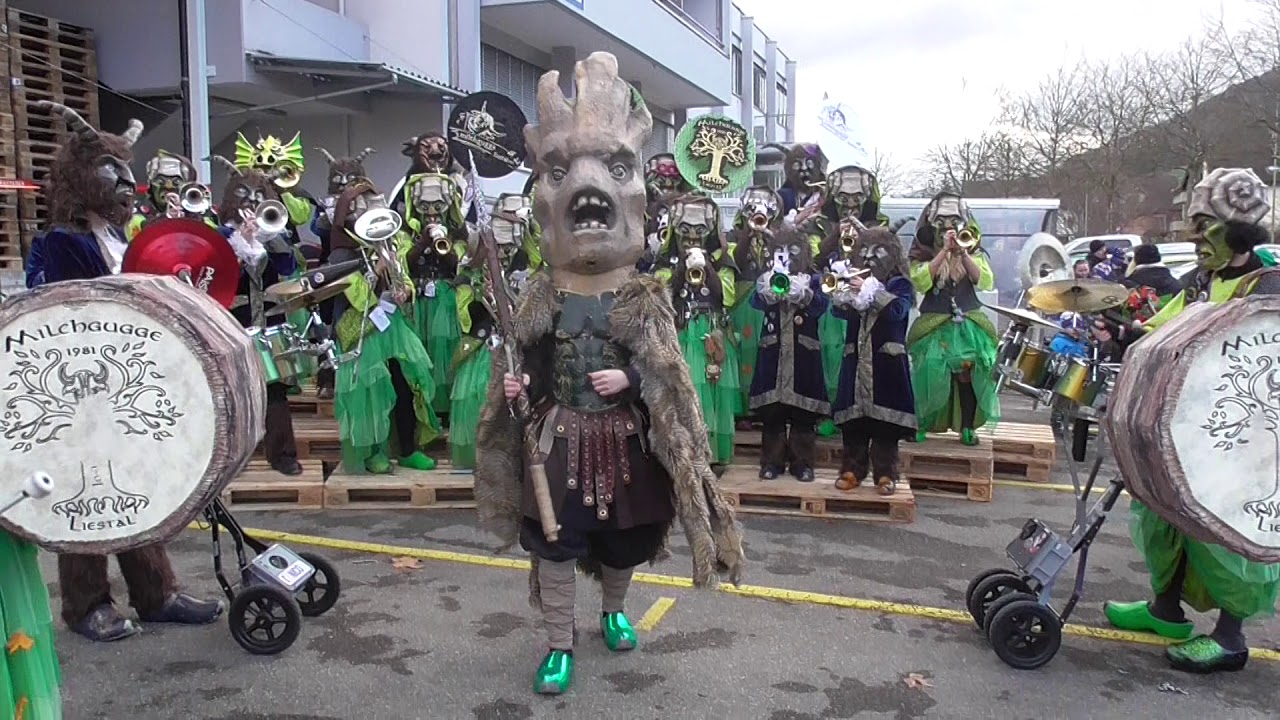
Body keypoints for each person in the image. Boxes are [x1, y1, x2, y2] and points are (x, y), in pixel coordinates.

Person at [473, 53, 744, 695]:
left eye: (614, 169)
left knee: (626, 542)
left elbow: (670, 378)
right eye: (561, 172)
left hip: (624, 442)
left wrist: (632, 383)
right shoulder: (538, 295)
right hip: (557, 440)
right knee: (554, 543)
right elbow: (528, 365)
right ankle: (559, 643)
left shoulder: (645, 295)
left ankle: (615, 610)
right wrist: (518, 388)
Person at [24, 100, 222, 642]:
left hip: (123, 384)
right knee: (84, 496)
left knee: (134, 488)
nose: (126, 183)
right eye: (111, 170)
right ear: (80, 177)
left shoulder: (117, 237)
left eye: (125, 170)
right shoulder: (62, 242)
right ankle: (86, 605)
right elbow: (71, 317)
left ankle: (156, 593)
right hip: (78, 394)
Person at [1105, 167, 1280, 674]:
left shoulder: (1267, 287)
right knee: (1163, 512)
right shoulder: (1203, 282)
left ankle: (1230, 639)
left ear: (1237, 232)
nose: (1194, 238)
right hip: (1189, 431)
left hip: (1245, 437)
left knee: (1227, 532)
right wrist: (1125, 333)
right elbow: (1167, 327)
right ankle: (1166, 611)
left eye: (1205, 227)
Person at [330, 182, 441, 474]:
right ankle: (373, 452)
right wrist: (376, 270)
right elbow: (355, 297)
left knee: (406, 387)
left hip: (393, 328)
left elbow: (404, 278)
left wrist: (405, 290)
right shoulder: (343, 254)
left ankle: (407, 449)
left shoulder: (389, 242)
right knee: (372, 393)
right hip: (362, 332)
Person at [209, 155, 305, 477]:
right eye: (244, 197)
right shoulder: (220, 237)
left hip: (269, 320)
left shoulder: (274, 234)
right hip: (234, 319)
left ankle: (283, 454)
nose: (251, 204)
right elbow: (218, 276)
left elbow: (288, 269)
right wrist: (241, 244)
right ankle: (232, 457)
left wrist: (270, 237)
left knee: (275, 388)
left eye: (257, 198)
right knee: (234, 390)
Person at [448, 193, 540, 469]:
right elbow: (467, 320)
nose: (502, 253)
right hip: (483, 348)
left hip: (519, 350)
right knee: (477, 399)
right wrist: (483, 295)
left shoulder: (530, 272)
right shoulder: (470, 276)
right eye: (498, 246)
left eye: (509, 246)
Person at [906, 192, 1000, 446]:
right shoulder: (922, 252)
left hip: (968, 323)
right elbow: (920, 282)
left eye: (954, 221)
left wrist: (963, 253)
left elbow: (984, 281)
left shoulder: (973, 249)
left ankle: (967, 426)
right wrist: (943, 253)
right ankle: (922, 422)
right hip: (934, 322)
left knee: (968, 372)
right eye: (942, 221)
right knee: (930, 371)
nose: (948, 227)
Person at [829, 226, 915, 496]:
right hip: (856, 361)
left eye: (877, 253)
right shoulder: (856, 280)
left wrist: (870, 290)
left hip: (886, 364)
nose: (869, 258)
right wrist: (844, 290)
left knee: (884, 426)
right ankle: (852, 470)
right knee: (854, 423)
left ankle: (886, 474)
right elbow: (838, 311)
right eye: (864, 252)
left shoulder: (900, 284)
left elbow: (897, 311)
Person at [655, 194, 739, 467]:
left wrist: (707, 266)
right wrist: (682, 266)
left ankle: (711, 454)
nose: (692, 236)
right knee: (682, 390)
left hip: (711, 333)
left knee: (712, 393)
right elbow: (662, 296)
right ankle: (683, 453)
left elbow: (726, 297)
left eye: (699, 230)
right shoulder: (664, 262)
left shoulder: (723, 260)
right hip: (680, 333)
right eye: (685, 229)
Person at [748, 224, 830, 481]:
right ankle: (771, 463)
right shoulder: (768, 276)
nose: (788, 256)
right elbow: (754, 302)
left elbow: (821, 306)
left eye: (793, 251)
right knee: (773, 414)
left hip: (803, 353)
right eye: (781, 251)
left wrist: (804, 294)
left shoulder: (813, 279)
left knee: (803, 416)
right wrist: (767, 288)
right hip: (773, 352)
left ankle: (802, 464)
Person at [816, 164, 888, 437]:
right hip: (830, 304)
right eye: (843, 198)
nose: (850, 205)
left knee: (858, 358)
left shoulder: (879, 225)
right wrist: (835, 234)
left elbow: (887, 263)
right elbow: (812, 260)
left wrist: (864, 236)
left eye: (857, 198)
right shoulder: (820, 224)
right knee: (829, 359)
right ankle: (830, 413)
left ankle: (860, 411)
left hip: (864, 304)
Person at [310, 146, 377, 399]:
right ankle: (330, 377)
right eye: (339, 180)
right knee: (332, 324)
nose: (344, 185)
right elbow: (320, 228)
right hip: (334, 271)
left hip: (365, 268)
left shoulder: (368, 202)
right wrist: (337, 209)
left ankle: (362, 374)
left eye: (350, 180)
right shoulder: (326, 204)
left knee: (365, 322)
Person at [402, 171, 470, 418]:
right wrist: (422, 241)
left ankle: (444, 409)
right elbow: (406, 262)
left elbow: (458, 264)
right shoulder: (408, 234)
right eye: (426, 207)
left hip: (444, 298)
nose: (431, 213)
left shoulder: (457, 235)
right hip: (419, 298)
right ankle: (421, 408)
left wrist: (442, 242)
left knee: (445, 350)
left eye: (437, 207)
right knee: (421, 349)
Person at [728, 186, 785, 420]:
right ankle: (746, 407)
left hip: (770, 301)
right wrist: (748, 234)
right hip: (744, 301)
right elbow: (736, 263)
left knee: (770, 350)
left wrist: (771, 237)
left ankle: (767, 404)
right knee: (744, 351)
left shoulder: (779, 236)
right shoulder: (733, 236)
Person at [126, 150, 216, 239]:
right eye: (160, 181)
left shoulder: (203, 211)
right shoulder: (136, 211)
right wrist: (165, 219)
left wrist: (190, 214)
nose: (168, 186)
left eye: (176, 182)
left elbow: (213, 236)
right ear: (151, 185)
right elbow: (136, 238)